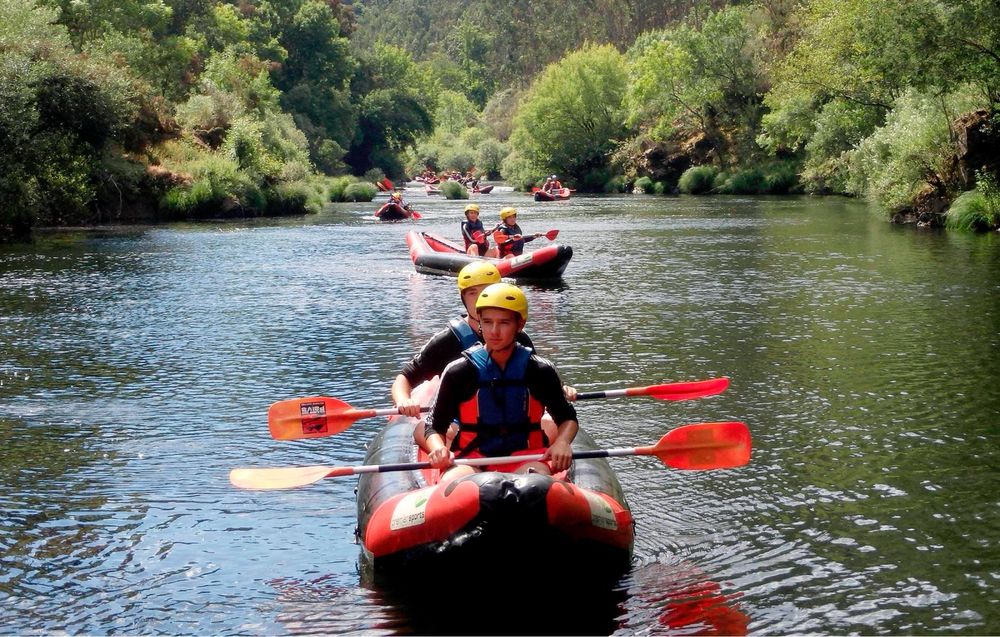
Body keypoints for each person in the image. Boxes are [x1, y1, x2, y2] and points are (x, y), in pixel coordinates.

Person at [391, 262, 575, 447]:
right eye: (473, 293)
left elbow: (535, 377)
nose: (481, 297)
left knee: (550, 423)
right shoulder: (448, 341)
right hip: (461, 424)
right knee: (423, 430)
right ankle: (453, 458)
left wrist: (559, 389)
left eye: (487, 290)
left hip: (515, 422)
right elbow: (405, 377)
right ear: (463, 298)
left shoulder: (519, 338)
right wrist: (403, 400)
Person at [425, 283, 578, 482]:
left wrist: (563, 442)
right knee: (455, 484)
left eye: (504, 323)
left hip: (526, 458)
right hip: (472, 460)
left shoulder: (540, 370)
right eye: (487, 322)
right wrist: (438, 447)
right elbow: (434, 425)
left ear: (520, 324)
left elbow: (567, 417)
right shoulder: (459, 371)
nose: (494, 331)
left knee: (535, 484)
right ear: (480, 322)